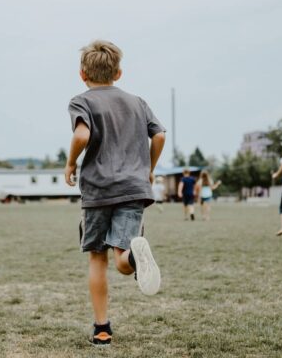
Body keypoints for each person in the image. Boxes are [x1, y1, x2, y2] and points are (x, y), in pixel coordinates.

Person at [65, 40, 166, 346]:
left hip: (98, 191)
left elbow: (82, 134)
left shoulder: (82, 101)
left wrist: (71, 163)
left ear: (83, 74)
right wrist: (149, 168)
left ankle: (102, 329)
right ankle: (134, 256)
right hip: (134, 189)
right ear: (118, 73)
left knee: (98, 258)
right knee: (122, 257)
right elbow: (159, 136)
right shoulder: (137, 102)